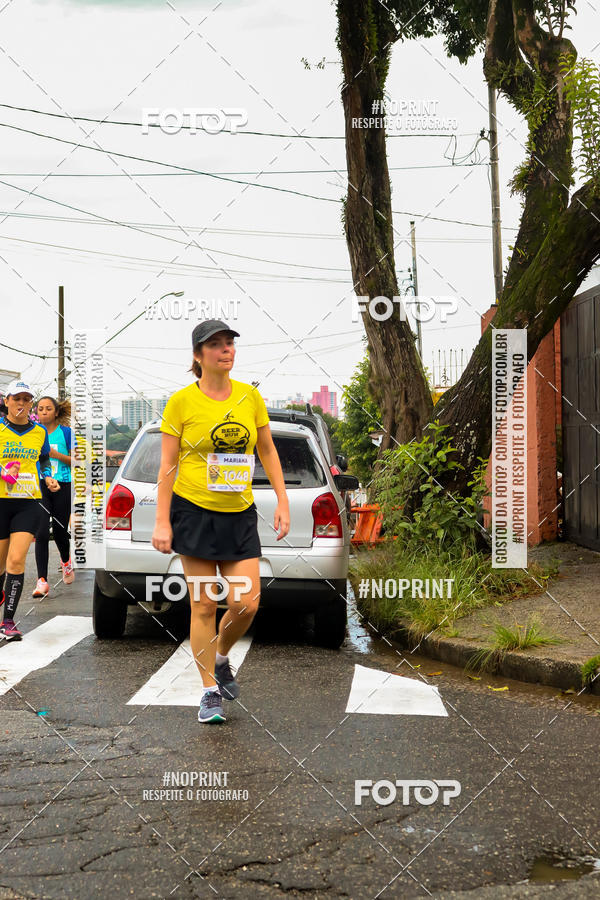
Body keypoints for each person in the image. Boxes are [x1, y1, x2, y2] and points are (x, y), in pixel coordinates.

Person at [152, 320, 290, 724]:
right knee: (204, 604)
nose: (226, 349)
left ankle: (222, 655)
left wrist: (282, 500)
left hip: (239, 514)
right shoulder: (181, 402)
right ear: (198, 355)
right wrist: (162, 521)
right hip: (193, 512)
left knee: (246, 603)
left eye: (229, 342)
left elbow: (267, 450)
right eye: (215, 344)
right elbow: (167, 464)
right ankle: (209, 692)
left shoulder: (250, 396)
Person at [0, 380, 60, 640]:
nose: (21, 403)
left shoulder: (39, 432)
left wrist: (48, 477)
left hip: (29, 502)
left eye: (26, 399)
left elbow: (44, 459)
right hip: (1, 501)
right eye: (17, 399)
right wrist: (4, 472)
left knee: (16, 560)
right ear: (7, 402)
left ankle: (8, 622)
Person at [32, 396, 74, 597]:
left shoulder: (66, 433)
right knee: (41, 532)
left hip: (63, 484)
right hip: (40, 485)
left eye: (48, 408)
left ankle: (66, 561)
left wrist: (57, 456)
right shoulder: (34, 432)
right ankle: (42, 581)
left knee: (59, 531)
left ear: (56, 412)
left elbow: (77, 461)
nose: (44, 412)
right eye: (40, 408)